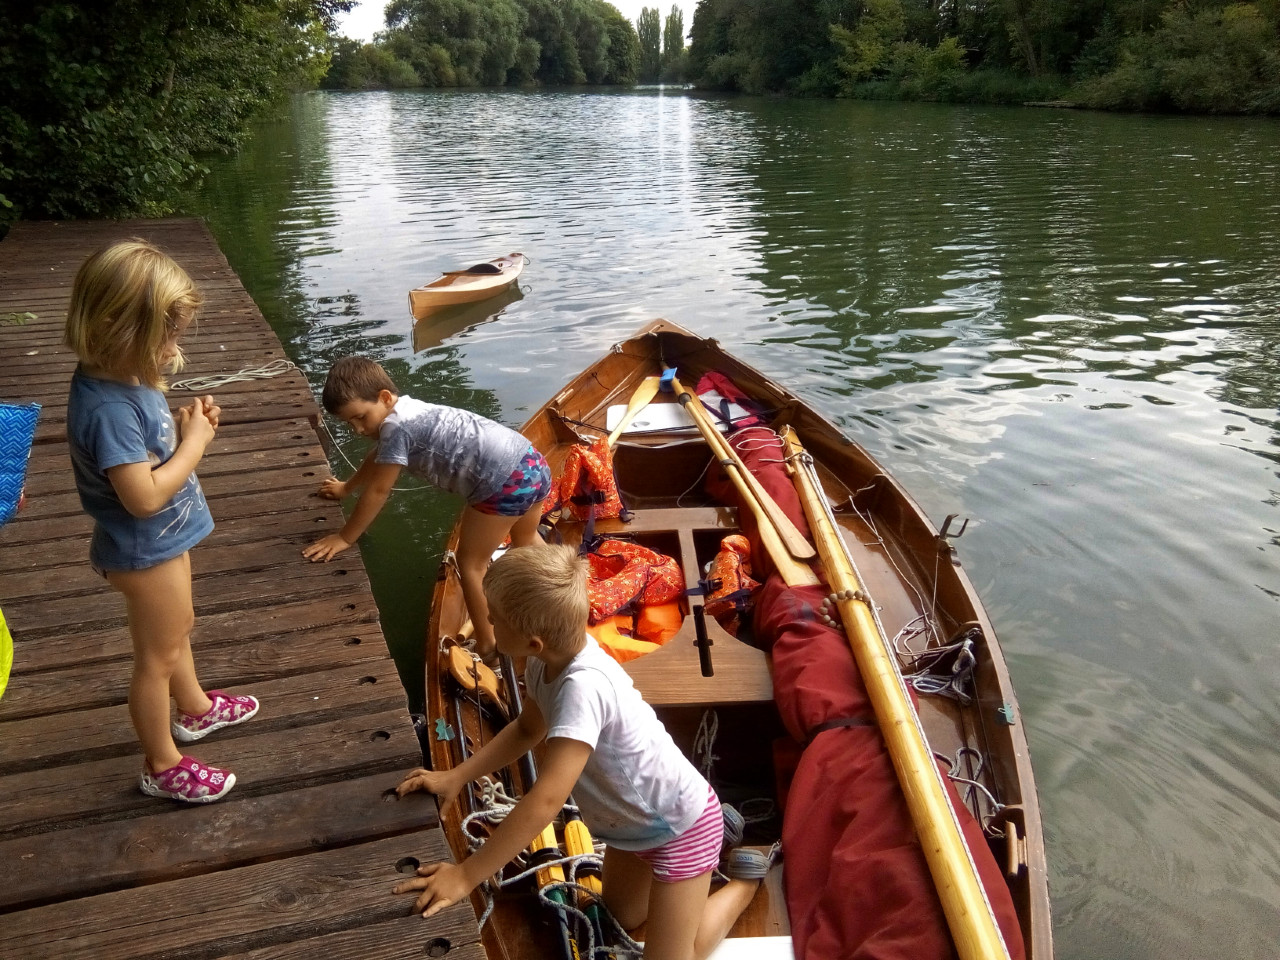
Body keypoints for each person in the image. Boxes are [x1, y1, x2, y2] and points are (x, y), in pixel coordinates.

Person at [393, 543, 770, 960]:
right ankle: (709, 861)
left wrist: (467, 875)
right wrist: (456, 775)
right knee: (621, 917)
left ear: (534, 641)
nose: (488, 624)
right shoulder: (542, 663)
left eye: (495, 620)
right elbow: (526, 729)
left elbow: (547, 801)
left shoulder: (582, 689)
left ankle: (744, 880)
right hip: (631, 829)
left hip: (681, 829)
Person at [64, 239, 259, 803]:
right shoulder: (107, 408)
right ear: (115, 327)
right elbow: (143, 498)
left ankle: (194, 709)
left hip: (162, 543)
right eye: (166, 335)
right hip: (145, 545)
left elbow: (143, 454)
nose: (173, 348)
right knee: (157, 657)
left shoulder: (126, 376)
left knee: (176, 632)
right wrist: (195, 444)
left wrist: (176, 427)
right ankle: (162, 763)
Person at [302, 356, 550, 661]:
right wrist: (346, 487)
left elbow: (379, 491)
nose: (356, 429)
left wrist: (345, 538)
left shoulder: (396, 428)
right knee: (526, 540)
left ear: (384, 397)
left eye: (361, 417)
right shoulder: (406, 410)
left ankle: (490, 646)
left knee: (471, 564)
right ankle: (559, 599)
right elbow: (377, 459)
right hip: (530, 461)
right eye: (349, 422)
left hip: (501, 481)